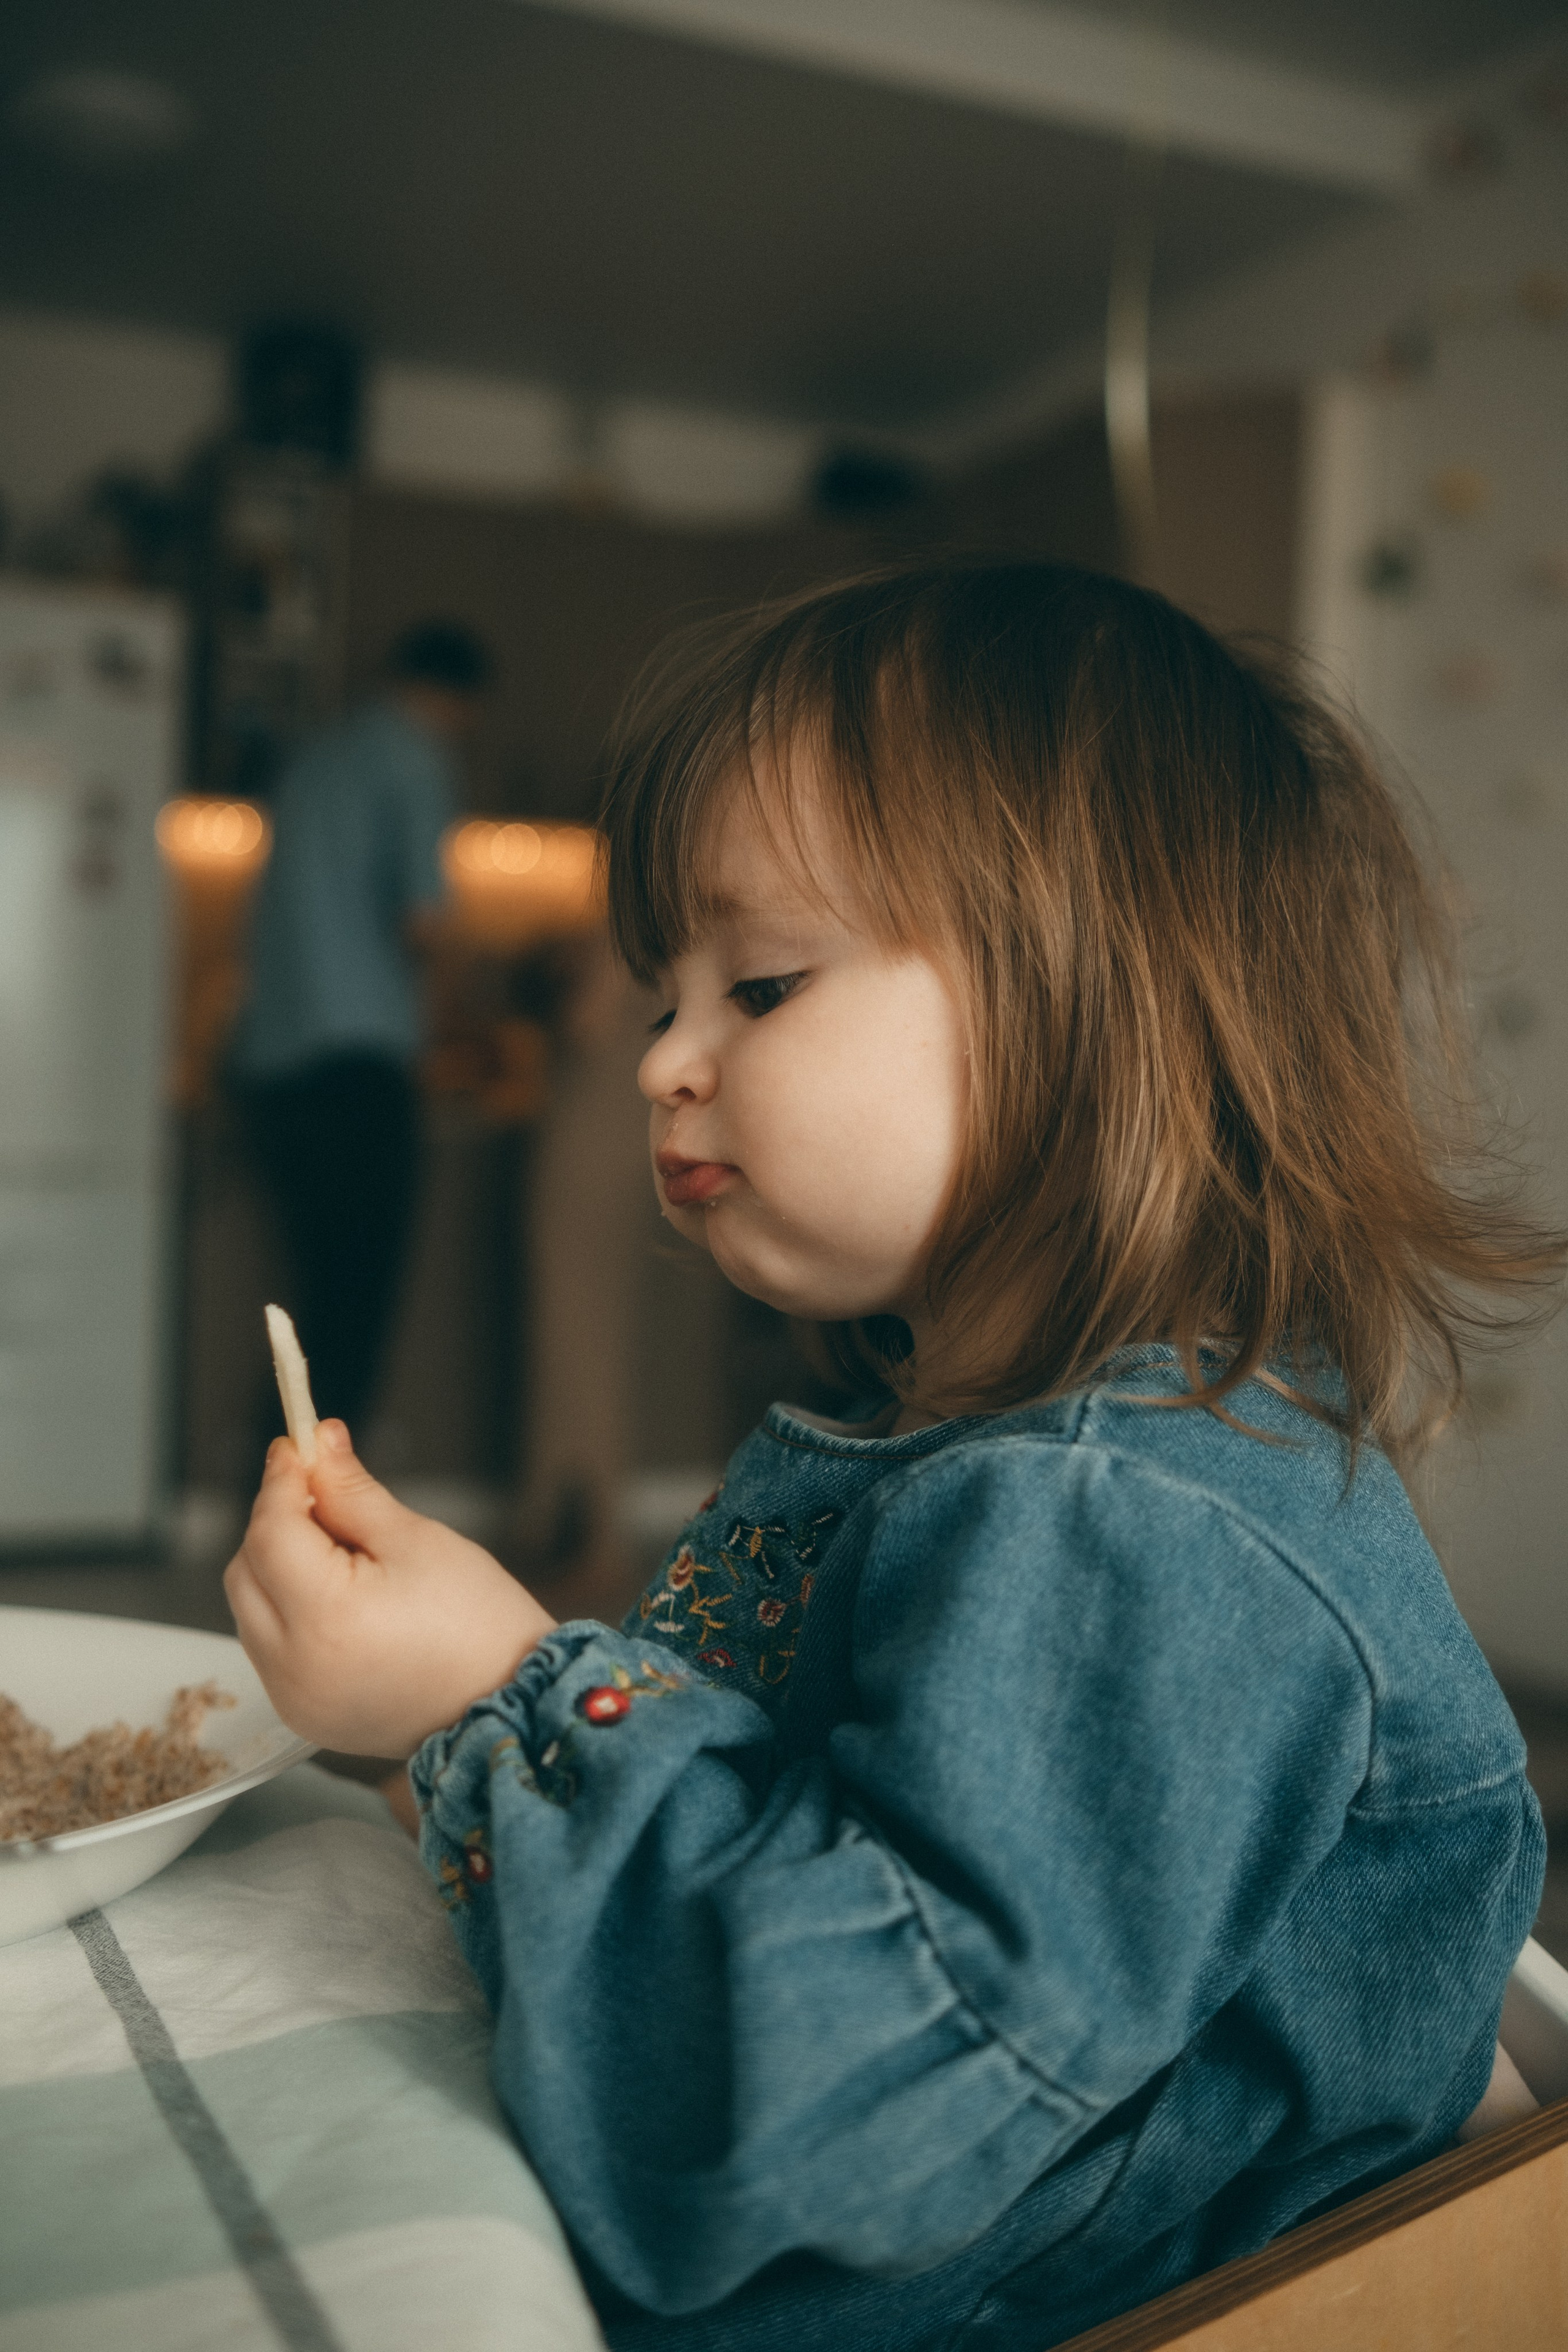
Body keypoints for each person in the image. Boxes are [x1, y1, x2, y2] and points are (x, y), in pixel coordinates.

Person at [225, 563, 1559, 2351]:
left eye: (762, 984)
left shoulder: (1132, 1531)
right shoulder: (985, 1453)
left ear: (1096, 1006)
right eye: (665, 996)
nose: (665, 1060)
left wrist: (497, 1697)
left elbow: (812, 2125)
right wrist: (465, 1733)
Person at [228, 620, 494, 1440]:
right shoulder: (414, 758)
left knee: (313, 1308)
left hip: (272, 1072)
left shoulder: (312, 760)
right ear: (458, 702)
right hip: (358, 1073)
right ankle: (328, 1499)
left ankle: (280, 1490)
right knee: (356, 1309)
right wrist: (462, 1018)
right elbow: (423, 924)